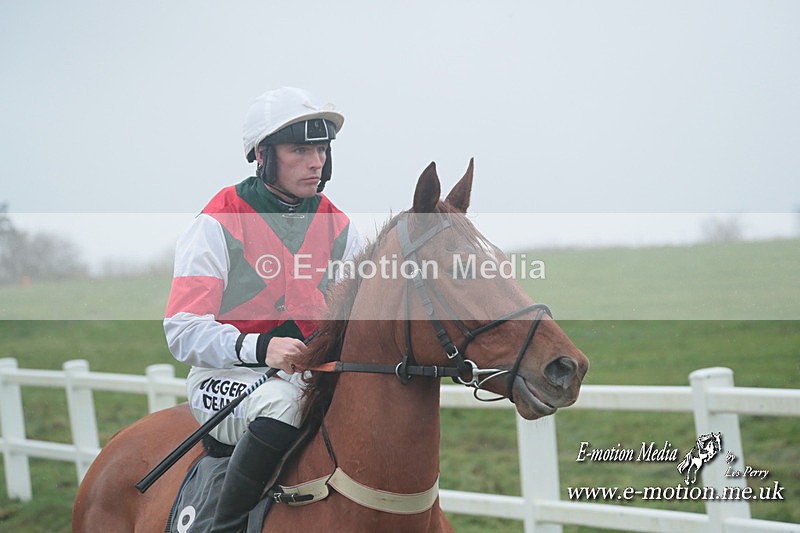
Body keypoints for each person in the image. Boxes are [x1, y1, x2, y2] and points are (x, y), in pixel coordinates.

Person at [164, 87, 362, 532]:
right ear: (261, 154)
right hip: (227, 378)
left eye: (321, 149)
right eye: (299, 150)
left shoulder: (341, 227)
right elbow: (181, 331)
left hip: (310, 372)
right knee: (284, 406)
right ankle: (226, 526)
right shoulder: (216, 223)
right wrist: (260, 349)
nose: (316, 162)